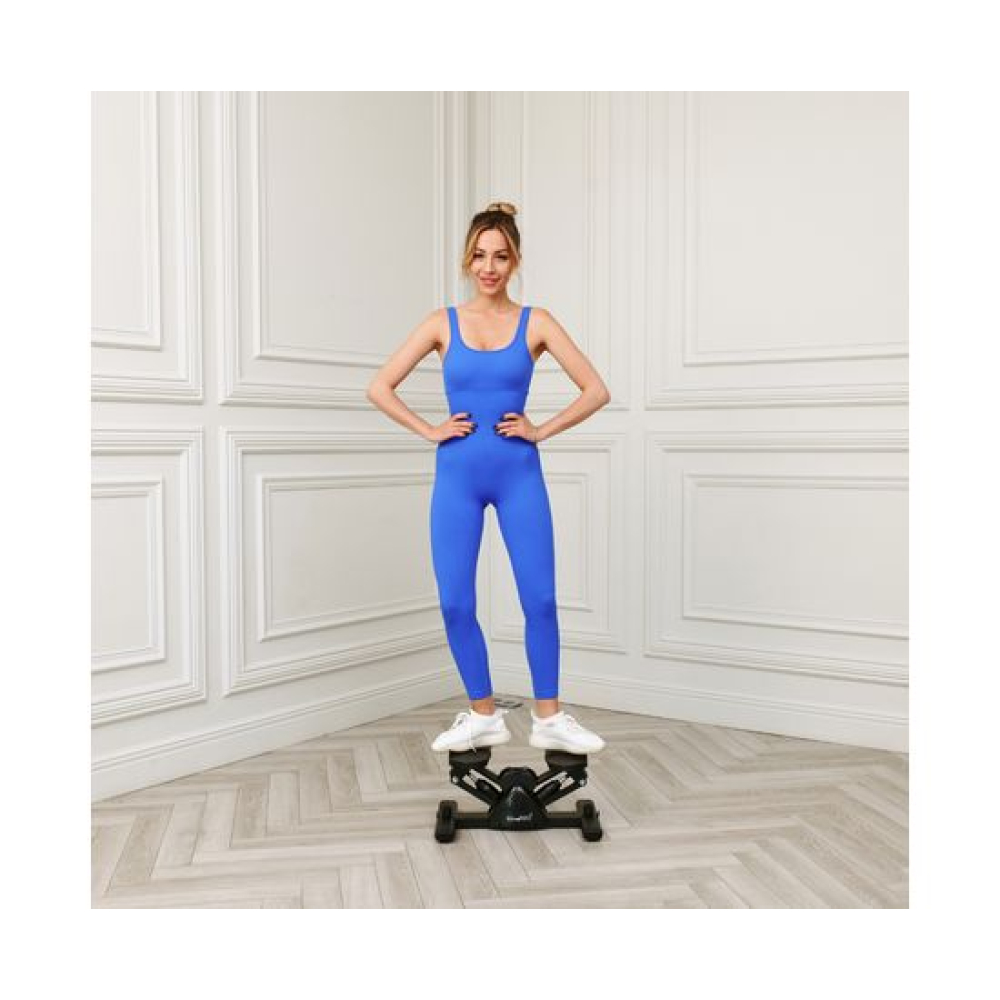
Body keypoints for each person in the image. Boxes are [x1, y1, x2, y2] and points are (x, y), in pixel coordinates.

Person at [367, 202, 610, 754]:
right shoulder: (441, 322)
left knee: (539, 599)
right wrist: (429, 429)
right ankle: (482, 714)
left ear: (515, 260)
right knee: (455, 602)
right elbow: (379, 386)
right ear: (467, 259)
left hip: (518, 474)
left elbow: (596, 390)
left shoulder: (536, 322)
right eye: (479, 255)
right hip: (457, 477)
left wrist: (540, 429)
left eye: (500, 256)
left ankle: (549, 717)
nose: (489, 267)